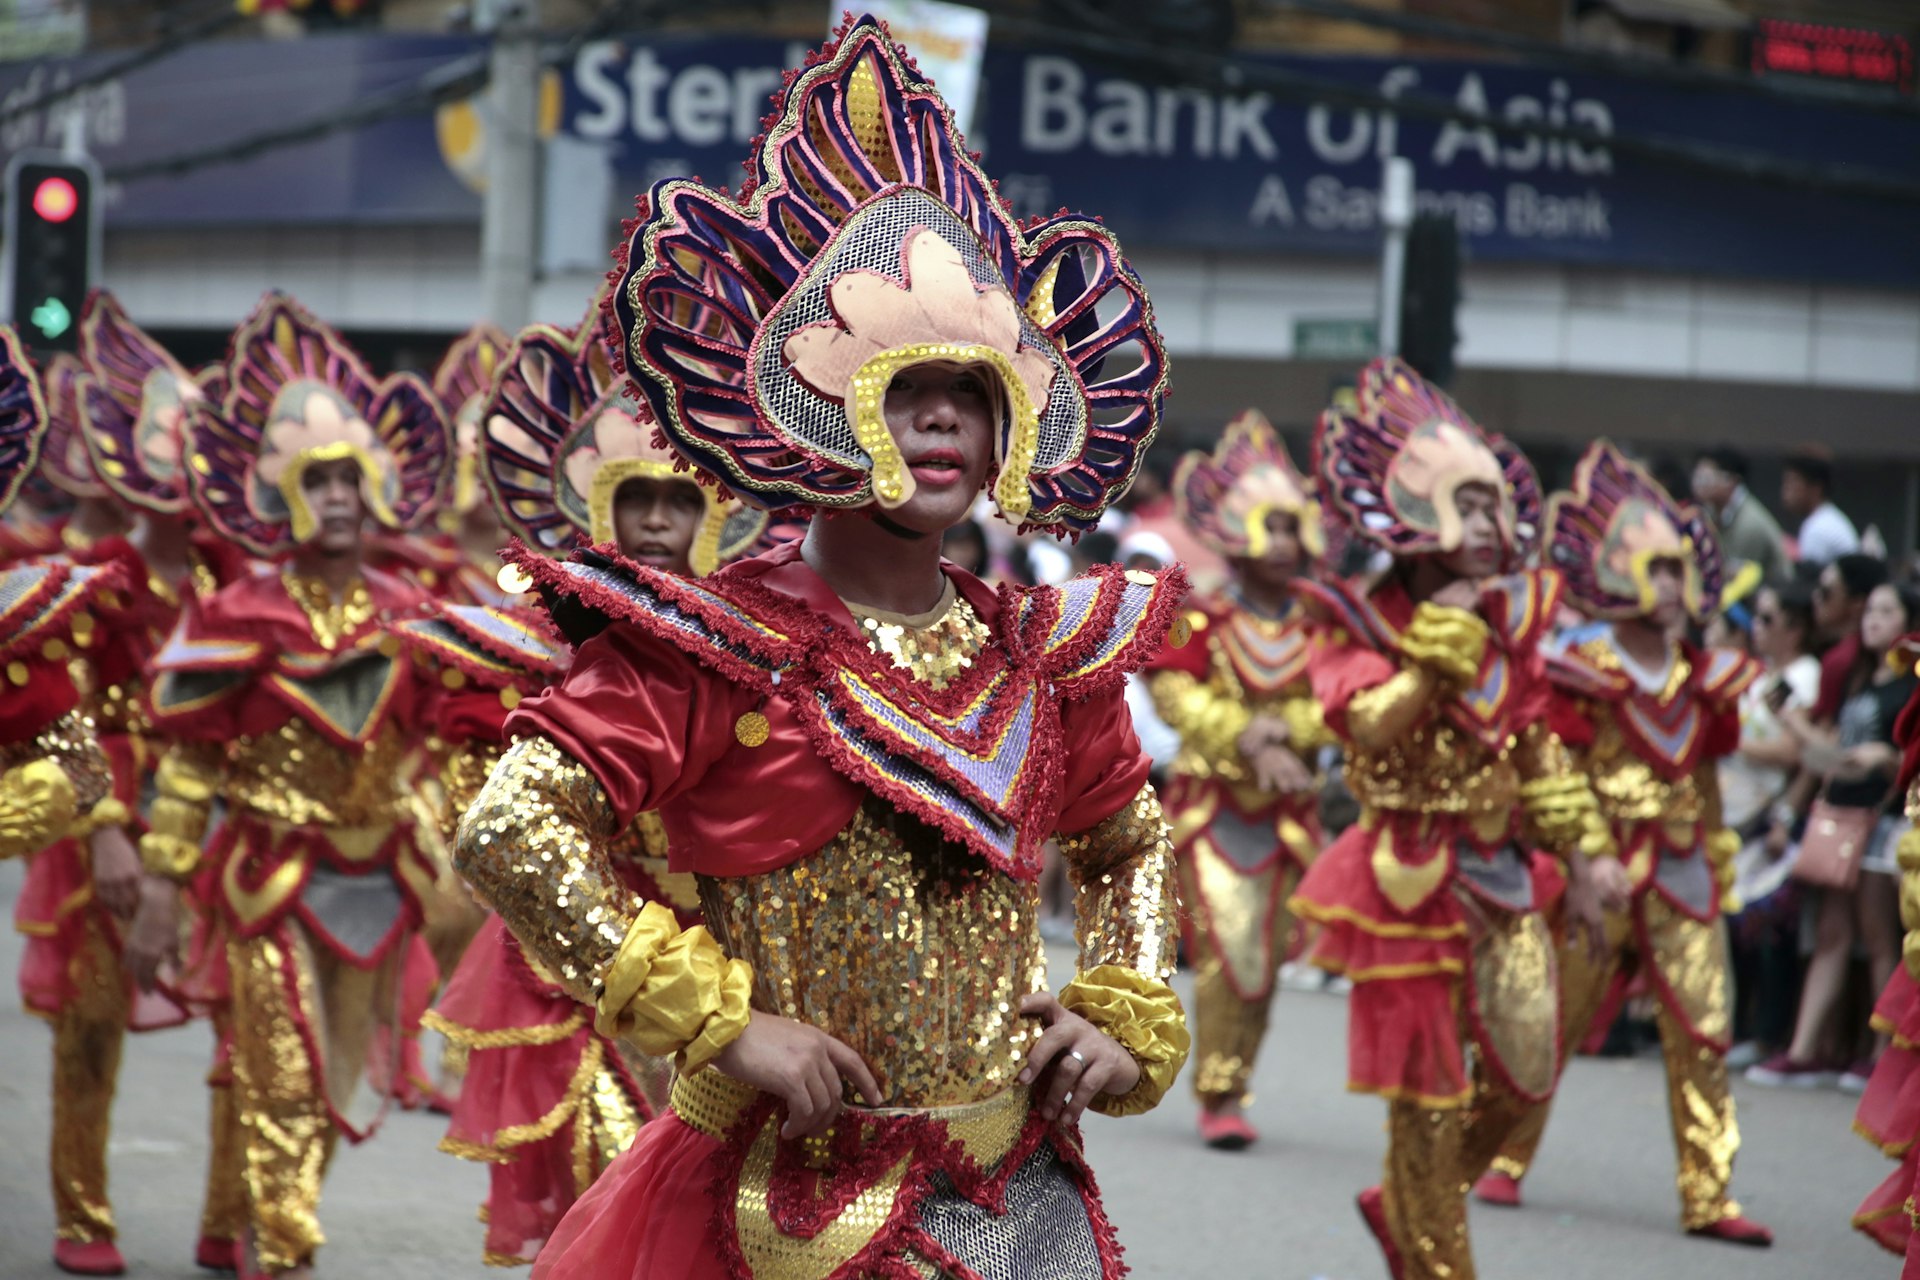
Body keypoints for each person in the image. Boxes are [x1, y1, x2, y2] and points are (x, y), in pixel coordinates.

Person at [453, 19, 1189, 1277]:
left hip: (1014, 1185)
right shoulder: (717, 644)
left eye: (972, 389)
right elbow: (510, 827)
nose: (945, 417)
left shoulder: (1040, 655)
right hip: (778, 1186)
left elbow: (1127, 840)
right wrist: (720, 1024)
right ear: (822, 407)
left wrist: (1122, 1010)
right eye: (910, 389)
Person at [416, 299, 767, 1266]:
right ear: (589, 504)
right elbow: (485, 803)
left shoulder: (756, 651)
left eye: (681, 500)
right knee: (604, 1169)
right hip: (561, 949)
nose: (657, 521)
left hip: (715, 957)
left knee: (695, 1198)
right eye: (637, 499)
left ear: (718, 517)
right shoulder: (521, 643)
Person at [139, 294, 453, 1279]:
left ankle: (257, 1219)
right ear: (281, 497)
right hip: (267, 874)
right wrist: (159, 881)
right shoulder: (236, 612)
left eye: (352, 482)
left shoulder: (413, 613)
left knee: (338, 1079)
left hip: (375, 879)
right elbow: (189, 760)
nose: (340, 501)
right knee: (279, 1071)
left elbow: (443, 743)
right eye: (319, 482)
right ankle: (283, 1249)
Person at [1288, 358, 1613, 1280]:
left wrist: (1584, 854)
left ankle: (1405, 1205)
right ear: (1419, 519)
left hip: (1504, 872)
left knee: (1525, 1077)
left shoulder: (1515, 622)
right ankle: (1434, 1254)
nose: (1489, 526)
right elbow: (1357, 719)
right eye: (1466, 509)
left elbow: (1539, 743)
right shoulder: (1356, 616)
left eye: (1492, 507)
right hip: (1401, 879)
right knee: (1425, 1103)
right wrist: (1436, 659)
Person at [1471, 440, 1772, 1246]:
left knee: (1705, 1028)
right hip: (1593, 873)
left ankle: (1709, 1193)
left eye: (1679, 569)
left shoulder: (1707, 677)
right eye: (1657, 570)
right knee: (1552, 1021)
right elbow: (1554, 771)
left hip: (1682, 871)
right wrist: (1582, 858)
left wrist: (1716, 860)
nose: (1671, 587)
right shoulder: (1578, 669)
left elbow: (1706, 783)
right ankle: (1502, 1155)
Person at [17, 292, 257, 1276]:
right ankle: (82, 1209)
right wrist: (109, 830)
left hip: (222, 818)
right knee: (91, 1022)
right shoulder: (98, 577)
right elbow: (57, 714)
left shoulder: (232, 581)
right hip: (104, 806)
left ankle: (232, 1214)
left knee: (254, 1018)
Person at [1147, 410, 1329, 1150]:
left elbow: (1347, 699)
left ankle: (1235, 1080)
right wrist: (1246, 732)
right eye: (1272, 528)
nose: (1285, 544)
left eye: (1294, 528)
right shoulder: (1204, 613)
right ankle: (1219, 1091)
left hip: (1287, 812)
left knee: (1268, 959)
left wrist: (1289, 729)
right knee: (1232, 952)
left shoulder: (1324, 619)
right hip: (1215, 807)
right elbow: (1171, 690)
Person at [0, 327, 136, 1276]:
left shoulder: (33, 584)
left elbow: (68, 739)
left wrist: (111, 826)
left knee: (99, 1019)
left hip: (185, 829)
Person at [1750, 582, 1918, 1091]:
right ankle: (1804, 1051)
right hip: (1839, 814)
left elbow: (1902, 757)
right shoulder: (1861, 681)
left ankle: (1878, 1053)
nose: (1872, 619)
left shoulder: (1911, 683)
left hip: (1882, 820)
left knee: (1879, 936)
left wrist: (1886, 760)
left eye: (1886, 611)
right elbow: (1830, 755)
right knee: (1831, 934)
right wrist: (1793, 722)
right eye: (1870, 609)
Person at [1723, 581, 1821, 1067]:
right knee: (1738, 928)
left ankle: (1767, 1035)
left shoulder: (1801, 677)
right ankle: (1741, 1030)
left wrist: (1725, 742)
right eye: (1755, 619)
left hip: (1770, 819)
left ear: (1796, 628)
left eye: (1767, 619)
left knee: (1768, 932)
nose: (1755, 629)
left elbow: (1792, 752)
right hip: (1736, 818)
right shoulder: (1762, 675)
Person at [1691, 447, 1789, 586]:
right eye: (1698, 477)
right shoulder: (1711, 512)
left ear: (1731, 481)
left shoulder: (1750, 524)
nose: (1699, 485)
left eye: (1707, 478)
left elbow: (1736, 578)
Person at [1813, 553, 1891, 723]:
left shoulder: (1839, 660)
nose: (1816, 597)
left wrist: (1792, 717)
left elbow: (1824, 729)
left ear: (1857, 604)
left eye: (1826, 592)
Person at [1782, 451, 1860, 567]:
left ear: (1816, 488)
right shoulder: (1827, 517)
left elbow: (1808, 581)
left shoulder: (1818, 527)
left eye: (1793, 482)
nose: (1786, 490)